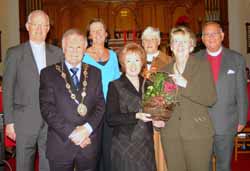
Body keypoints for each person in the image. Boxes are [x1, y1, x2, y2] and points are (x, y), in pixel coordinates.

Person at [3, 10, 63, 171]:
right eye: (35, 25)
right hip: (24, 120)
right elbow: (8, 89)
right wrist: (9, 122)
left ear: (48, 28)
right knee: (23, 165)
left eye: (44, 25)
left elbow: (62, 87)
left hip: (51, 120)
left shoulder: (58, 54)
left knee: (48, 163)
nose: (40, 29)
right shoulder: (14, 53)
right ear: (27, 26)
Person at [39, 29, 105, 171]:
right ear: (63, 48)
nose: (75, 51)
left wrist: (86, 130)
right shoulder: (48, 73)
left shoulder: (95, 72)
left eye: (79, 47)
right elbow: (47, 109)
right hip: (60, 144)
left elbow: (100, 106)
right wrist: (74, 133)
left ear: (85, 49)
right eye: (70, 47)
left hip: (89, 144)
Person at [154, 26, 216, 171]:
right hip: (171, 136)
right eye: (175, 41)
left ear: (191, 45)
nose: (180, 45)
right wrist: (157, 120)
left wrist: (186, 84)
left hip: (198, 134)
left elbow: (211, 98)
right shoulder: (163, 72)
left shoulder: (202, 66)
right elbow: (158, 105)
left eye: (184, 41)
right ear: (171, 47)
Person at [197, 21, 248, 171]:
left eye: (214, 33)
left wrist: (242, 119)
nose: (210, 37)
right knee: (201, 166)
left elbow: (241, 91)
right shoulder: (194, 59)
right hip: (200, 123)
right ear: (202, 38)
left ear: (222, 36)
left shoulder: (236, 59)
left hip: (226, 122)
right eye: (206, 34)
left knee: (223, 166)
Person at [106, 42, 156, 171]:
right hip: (125, 146)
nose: (133, 65)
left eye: (137, 60)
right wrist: (136, 115)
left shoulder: (149, 84)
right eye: (128, 61)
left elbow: (155, 111)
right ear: (123, 63)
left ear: (142, 63)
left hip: (146, 145)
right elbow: (111, 118)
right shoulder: (115, 85)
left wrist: (159, 120)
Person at [83, 18, 120, 171]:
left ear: (106, 34)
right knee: (93, 152)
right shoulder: (82, 55)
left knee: (109, 150)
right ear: (89, 35)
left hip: (110, 110)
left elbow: (118, 83)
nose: (97, 33)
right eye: (94, 30)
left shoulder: (113, 55)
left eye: (100, 30)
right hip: (90, 111)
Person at [141, 26, 172, 171]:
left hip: (160, 117)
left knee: (160, 156)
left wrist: (162, 114)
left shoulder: (168, 60)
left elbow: (172, 89)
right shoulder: (136, 59)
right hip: (140, 116)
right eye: (145, 40)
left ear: (158, 41)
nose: (148, 43)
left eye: (152, 39)